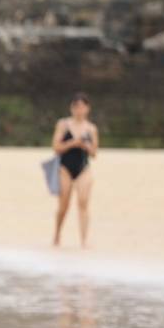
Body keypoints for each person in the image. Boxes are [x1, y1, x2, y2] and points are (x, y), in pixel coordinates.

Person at [52, 92, 99, 249]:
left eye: (82, 107)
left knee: (83, 203)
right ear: (72, 108)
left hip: (83, 169)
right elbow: (56, 147)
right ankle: (57, 233)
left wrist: (85, 145)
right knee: (64, 205)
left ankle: (84, 240)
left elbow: (94, 153)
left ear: (87, 108)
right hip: (65, 168)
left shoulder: (91, 129)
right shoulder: (63, 124)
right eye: (76, 107)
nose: (79, 110)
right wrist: (73, 143)